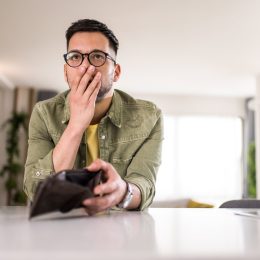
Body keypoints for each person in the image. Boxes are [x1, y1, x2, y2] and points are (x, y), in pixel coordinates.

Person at [23, 19, 163, 214]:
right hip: (61, 230)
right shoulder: (43, 113)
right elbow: (35, 189)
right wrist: (76, 126)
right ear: (65, 71)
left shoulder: (149, 117)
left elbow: (144, 184)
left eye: (97, 56)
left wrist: (123, 192)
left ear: (116, 72)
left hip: (122, 232)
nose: (85, 67)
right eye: (75, 57)